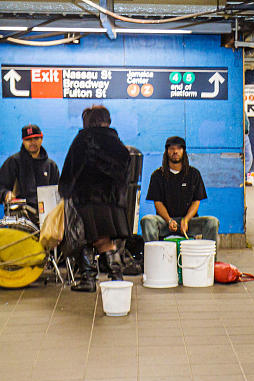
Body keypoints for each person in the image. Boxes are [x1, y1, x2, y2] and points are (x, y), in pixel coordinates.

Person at [59, 105, 131, 292]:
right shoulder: (117, 142)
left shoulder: (84, 138)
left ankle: (88, 280)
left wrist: (65, 191)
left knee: (83, 238)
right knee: (105, 240)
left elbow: (70, 168)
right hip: (112, 201)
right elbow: (124, 171)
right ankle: (117, 277)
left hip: (87, 198)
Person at [141, 137, 219, 245]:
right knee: (147, 220)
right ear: (167, 151)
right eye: (172, 148)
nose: (175, 151)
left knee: (212, 222)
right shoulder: (157, 175)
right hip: (165, 222)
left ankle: (210, 260)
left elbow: (196, 201)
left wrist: (186, 220)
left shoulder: (193, 174)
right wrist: (169, 220)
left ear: (183, 151)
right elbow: (157, 203)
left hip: (188, 222)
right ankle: (154, 257)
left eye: (179, 148)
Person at [0, 124, 59, 219]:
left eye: (36, 138)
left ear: (42, 138)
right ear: (23, 141)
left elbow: (57, 193)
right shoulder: (13, 162)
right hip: (19, 218)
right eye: (28, 139)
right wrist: (6, 194)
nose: (32, 142)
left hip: (47, 220)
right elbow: (1, 186)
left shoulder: (51, 166)